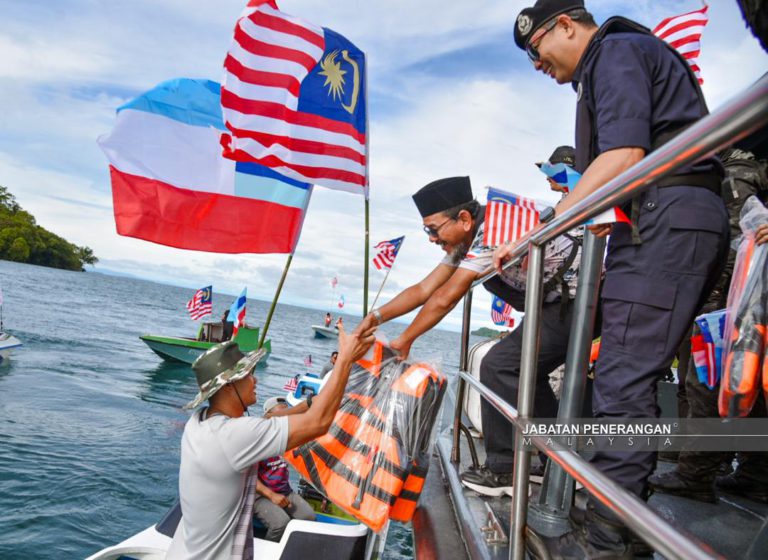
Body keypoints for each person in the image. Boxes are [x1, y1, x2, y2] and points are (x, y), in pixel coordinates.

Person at [499, 1, 729, 556]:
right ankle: (618, 514)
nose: (536, 65)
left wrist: (544, 228)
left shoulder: (615, 52)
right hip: (661, 219)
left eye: (536, 52)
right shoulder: (620, 54)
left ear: (566, 26)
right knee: (627, 375)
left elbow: (624, 153)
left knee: (622, 379)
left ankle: (611, 535)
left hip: (666, 218)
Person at [356, 173, 583, 496]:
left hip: (580, 300)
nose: (431, 238)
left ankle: (506, 469)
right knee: (525, 372)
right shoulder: (469, 240)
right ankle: (554, 459)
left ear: (463, 218)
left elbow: (444, 298)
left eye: (433, 229)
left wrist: (404, 340)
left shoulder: (491, 235)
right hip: (556, 303)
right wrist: (375, 317)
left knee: (499, 366)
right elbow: (423, 288)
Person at [166, 324, 376, 559]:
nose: (255, 380)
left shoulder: (200, 423)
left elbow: (266, 420)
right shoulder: (233, 436)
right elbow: (318, 423)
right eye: (247, 375)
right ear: (229, 386)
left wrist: (307, 403)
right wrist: (345, 360)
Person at [649, 149, 768, 504]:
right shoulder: (744, 169)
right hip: (741, 290)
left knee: (705, 381)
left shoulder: (735, 171)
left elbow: (730, 235)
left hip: (728, 292)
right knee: (745, 387)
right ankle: (753, 474)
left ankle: (696, 474)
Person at [253, 397, 315, 541]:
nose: (287, 418)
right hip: (259, 495)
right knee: (280, 524)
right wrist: (271, 495)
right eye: (282, 413)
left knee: (309, 518)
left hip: (285, 491)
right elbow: (248, 478)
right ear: (270, 416)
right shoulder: (257, 440)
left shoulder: (288, 438)